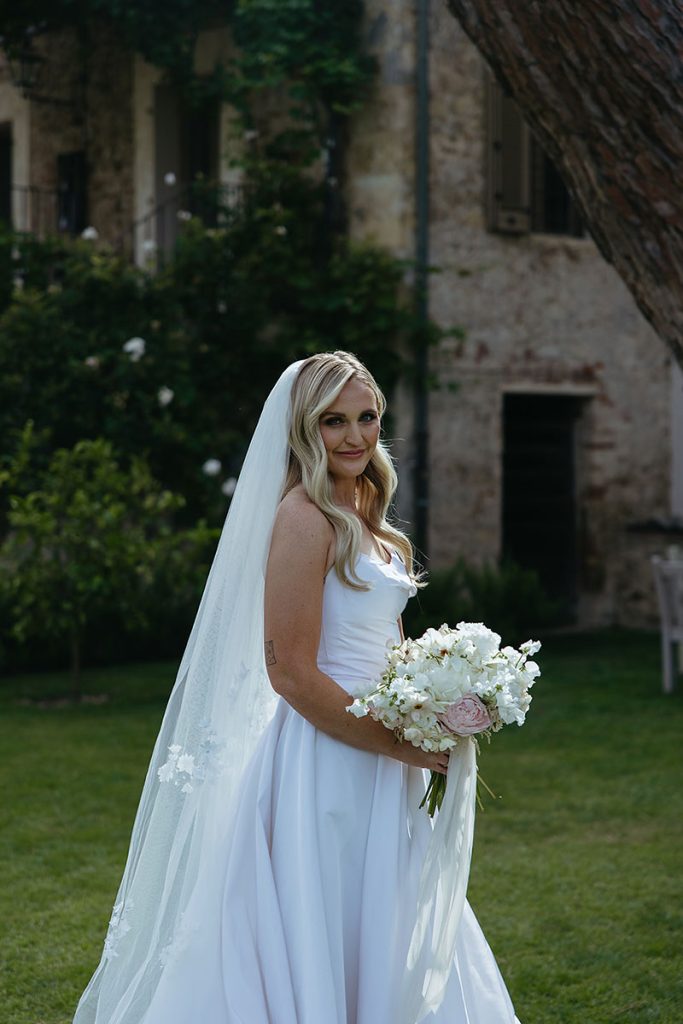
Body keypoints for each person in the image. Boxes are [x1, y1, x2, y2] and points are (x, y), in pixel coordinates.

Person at [73, 351, 520, 1024]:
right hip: (327, 764)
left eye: (366, 417)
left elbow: (392, 653)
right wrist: (395, 744)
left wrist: (437, 703)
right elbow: (288, 672)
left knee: (390, 911)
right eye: (332, 421)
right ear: (302, 429)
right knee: (325, 912)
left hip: (385, 758)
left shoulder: (374, 527)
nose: (353, 436)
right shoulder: (303, 518)